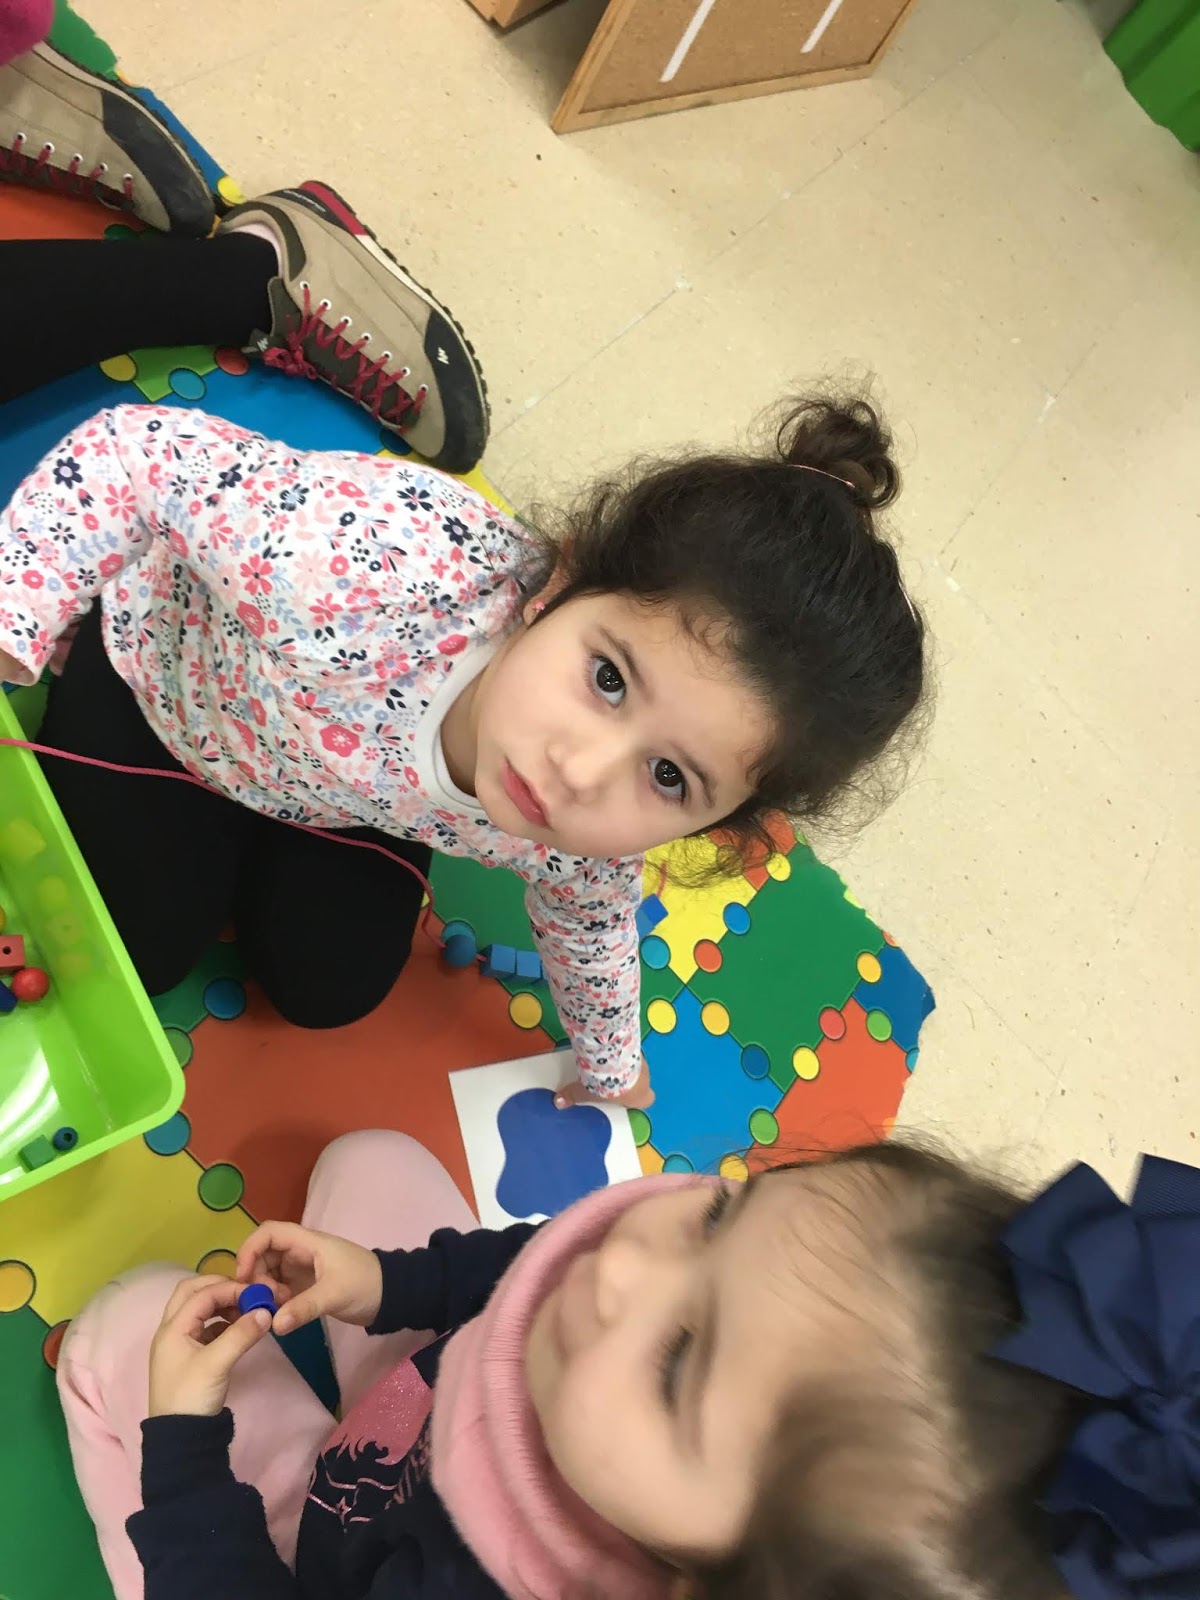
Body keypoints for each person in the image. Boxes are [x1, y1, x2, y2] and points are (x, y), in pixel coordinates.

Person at [0, 39, 924, 1108]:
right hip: (176, 688)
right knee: (136, 951)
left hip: (340, 788)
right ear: (555, 589)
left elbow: (591, 919)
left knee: (329, 991)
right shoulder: (355, 570)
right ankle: (278, 264)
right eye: (608, 678)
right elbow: (138, 455)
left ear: (716, 822)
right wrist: (18, 609)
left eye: (672, 778)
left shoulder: (586, 834)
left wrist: (611, 1065)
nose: (581, 770)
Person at [57, 1131, 1200, 1600]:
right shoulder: (615, 1300)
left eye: (679, 1360)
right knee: (376, 1156)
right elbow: (531, 1264)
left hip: (325, 1554)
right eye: (723, 1215)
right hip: (427, 1419)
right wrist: (389, 1284)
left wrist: (186, 1454)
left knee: (131, 1323)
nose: (619, 1266)